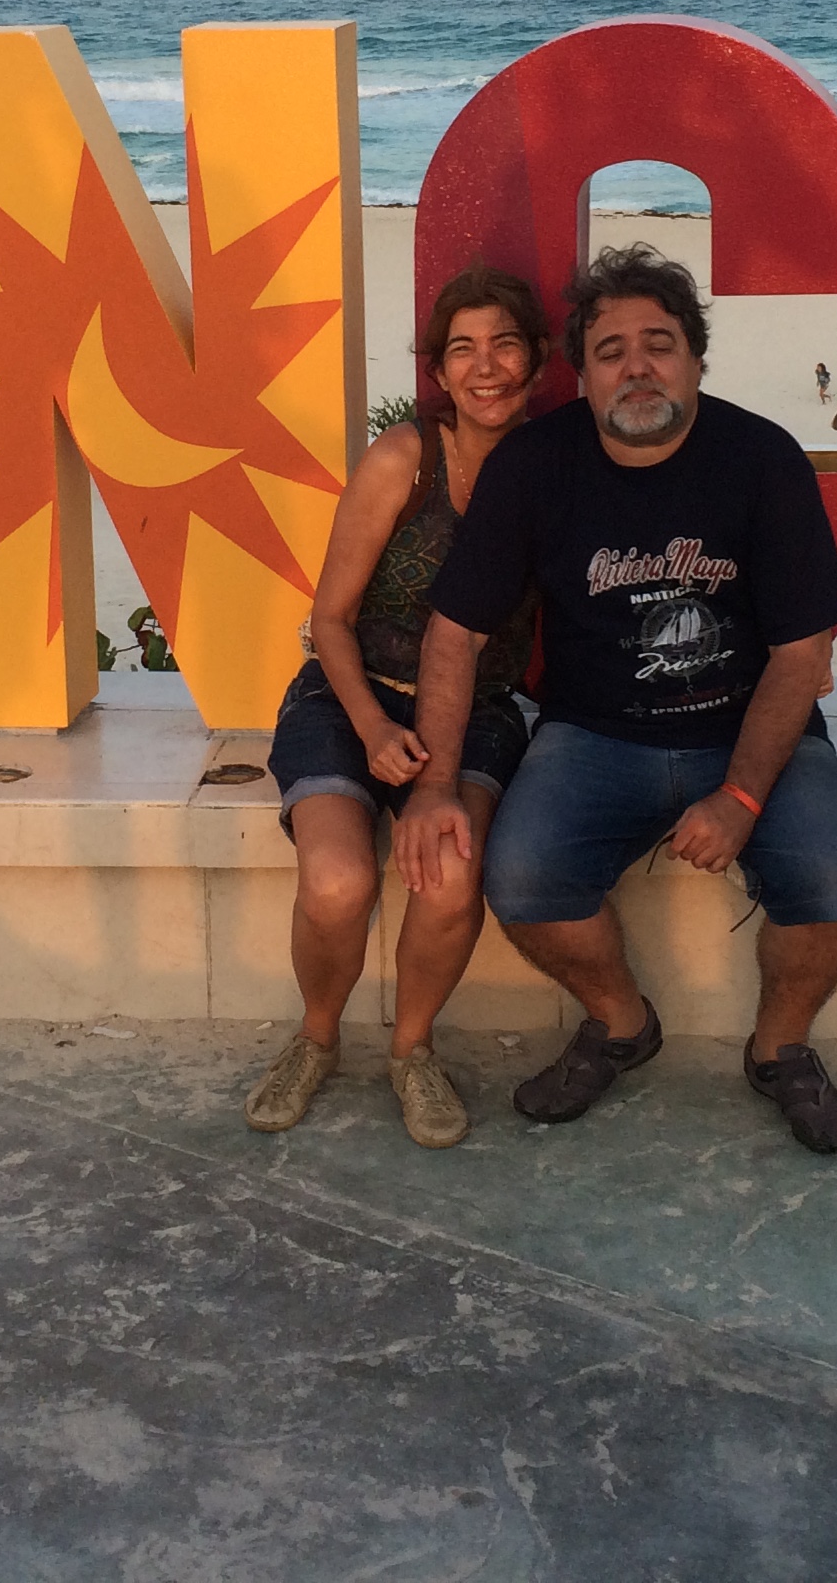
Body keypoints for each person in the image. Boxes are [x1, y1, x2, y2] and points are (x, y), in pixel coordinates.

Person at [402, 245, 837, 1155]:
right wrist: (432, 786)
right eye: (611, 351)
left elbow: (800, 651)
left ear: (696, 360)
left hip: (750, 727)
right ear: (581, 375)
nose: (637, 367)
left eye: (659, 344)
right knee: (524, 877)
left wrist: (740, 797)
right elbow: (454, 634)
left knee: (834, 886)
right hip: (594, 733)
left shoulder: (763, 459)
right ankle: (621, 1023)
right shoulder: (534, 466)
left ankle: (781, 1050)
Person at [245, 264, 549, 1148]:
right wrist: (375, 728)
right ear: (439, 369)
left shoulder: (554, 468)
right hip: (352, 697)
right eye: (463, 349)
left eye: (504, 345)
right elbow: (329, 620)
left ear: (536, 359)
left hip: (479, 708)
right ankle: (316, 1037)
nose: (485, 368)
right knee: (338, 882)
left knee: (450, 878)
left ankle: (412, 1049)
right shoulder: (404, 460)